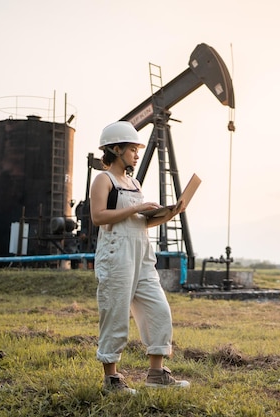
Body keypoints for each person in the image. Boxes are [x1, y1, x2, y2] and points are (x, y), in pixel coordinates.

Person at [89, 121, 190, 393]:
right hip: (116, 253)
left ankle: (156, 375)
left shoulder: (133, 183)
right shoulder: (103, 179)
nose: (136, 154)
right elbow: (98, 216)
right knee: (116, 313)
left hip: (142, 253)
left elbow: (138, 222)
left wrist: (166, 214)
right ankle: (112, 379)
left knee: (159, 310)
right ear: (116, 149)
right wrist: (140, 206)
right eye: (132, 149)